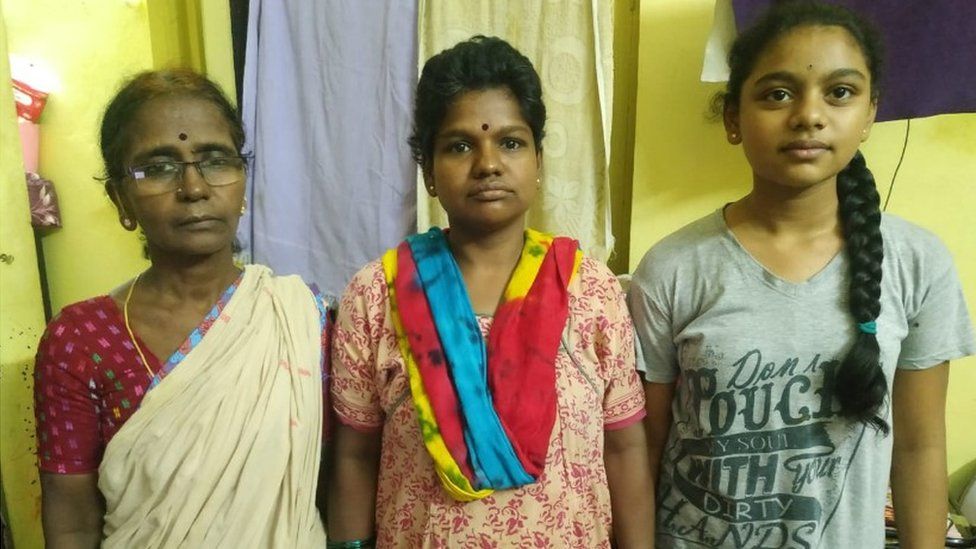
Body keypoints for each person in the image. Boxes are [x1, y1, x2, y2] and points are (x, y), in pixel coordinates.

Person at [629, 2, 976, 547]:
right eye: (777, 93)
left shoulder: (917, 262)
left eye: (839, 93)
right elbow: (643, 449)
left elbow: (918, 447)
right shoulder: (674, 268)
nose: (808, 115)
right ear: (733, 119)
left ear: (868, 116)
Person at [327, 36, 653, 548]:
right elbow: (354, 456)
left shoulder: (591, 289)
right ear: (429, 173)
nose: (488, 163)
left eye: (511, 142)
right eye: (459, 145)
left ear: (539, 161)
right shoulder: (376, 294)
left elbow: (625, 448)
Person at [33, 69, 328, 548]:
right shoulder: (80, 340)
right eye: (159, 167)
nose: (194, 188)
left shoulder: (300, 316)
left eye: (215, 160)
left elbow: (326, 478)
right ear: (120, 198)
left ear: (242, 180)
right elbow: (71, 518)